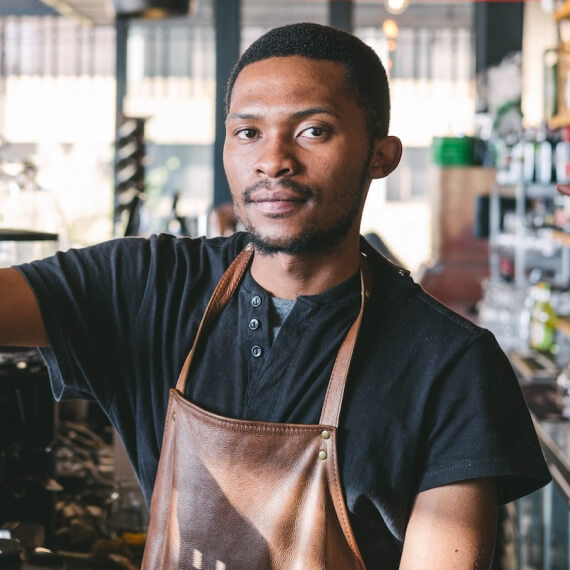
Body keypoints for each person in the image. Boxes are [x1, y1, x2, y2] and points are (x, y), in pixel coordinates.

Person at [0, 22, 550, 569]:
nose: (272, 160)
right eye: (247, 133)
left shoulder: (449, 365)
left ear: (381, 156)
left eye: (313, 131)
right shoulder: (148, 286)